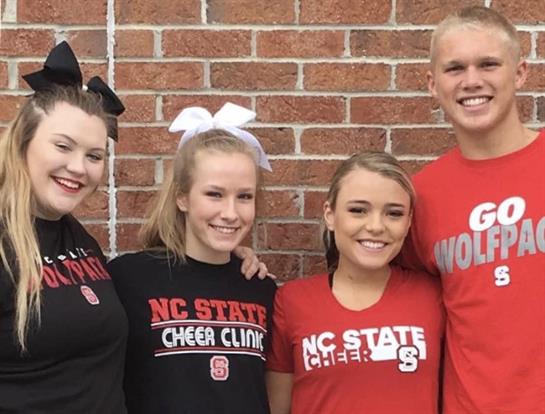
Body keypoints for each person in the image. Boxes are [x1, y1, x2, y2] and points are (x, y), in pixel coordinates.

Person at [403, 6, 545, 413]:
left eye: (488, 64)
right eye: (455, 68)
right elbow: (371, 283)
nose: (471, 81)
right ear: (433, 84)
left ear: (520, 73)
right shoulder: (419, 196)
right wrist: (239, 255)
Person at [108, 103, 277, 414]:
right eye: (214, 194)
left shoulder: (260, 287)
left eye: (244, 196)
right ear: (182, 197)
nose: (230, 213)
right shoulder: (128, 278)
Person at [0, 42, 127, 412]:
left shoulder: (80, 240)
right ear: (23, 144)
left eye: (93, 156)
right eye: (63, 146)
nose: (78, 168)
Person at [266, 152, 445, 414]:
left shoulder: (432, 296)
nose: (376, 226)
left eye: (394, 214)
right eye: (358, 210)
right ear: (330, 214)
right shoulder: (292, 301)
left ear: (408, 222)